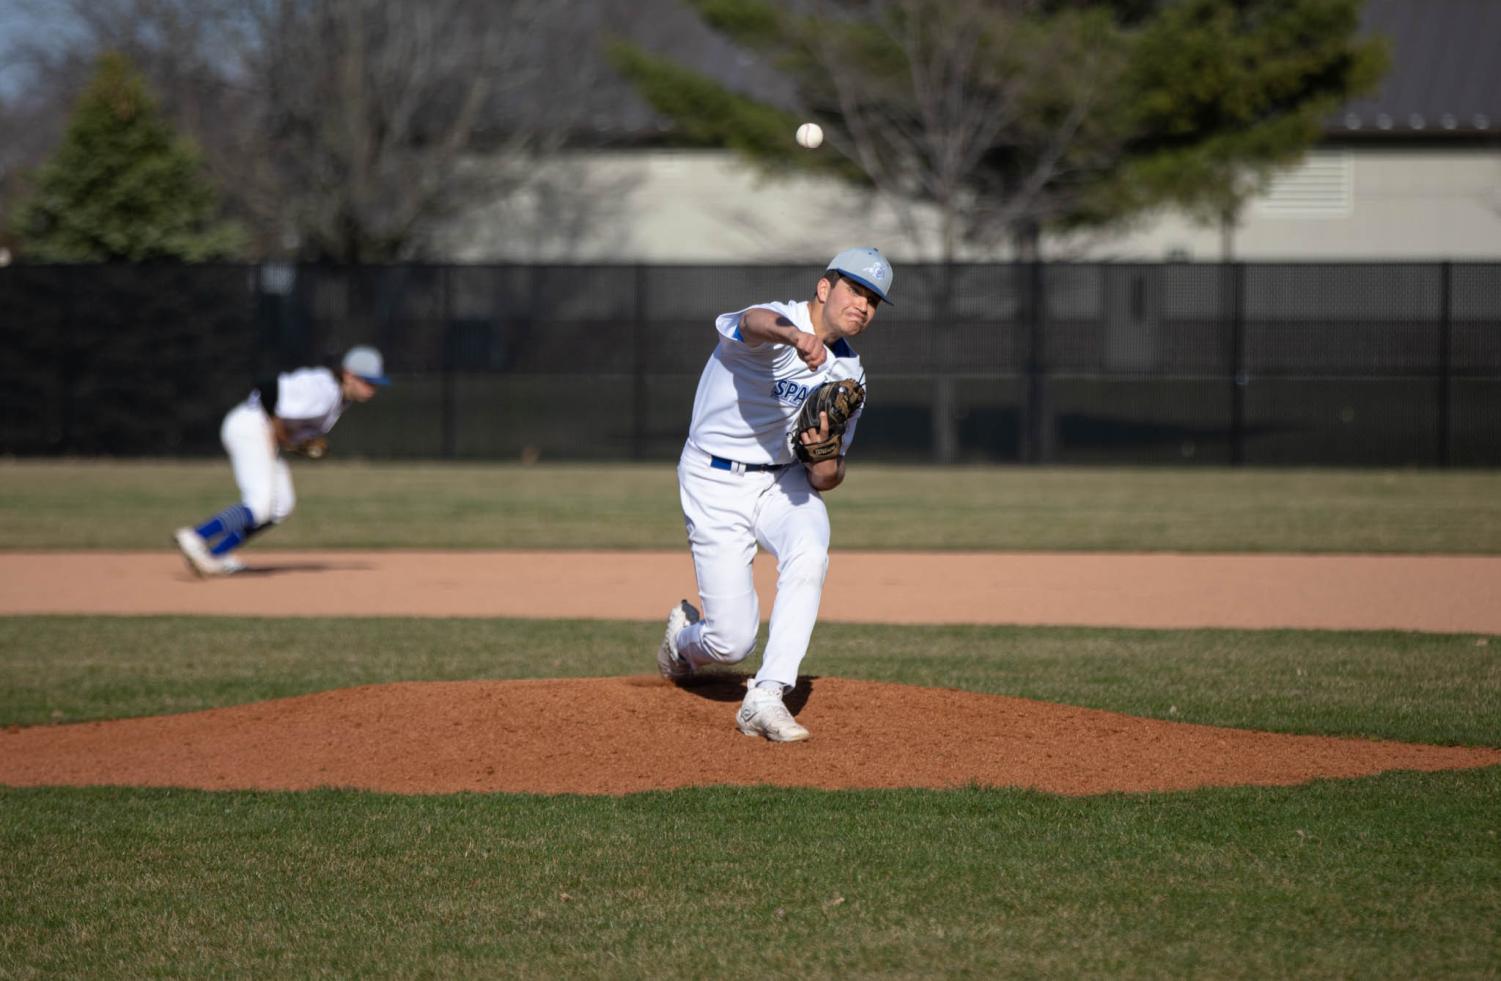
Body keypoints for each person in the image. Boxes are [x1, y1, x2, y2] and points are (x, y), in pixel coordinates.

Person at [656, 247, 893, 742]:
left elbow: (826, 478)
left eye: (873, 300)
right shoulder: (775, 324)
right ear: (825, 288)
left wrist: (824, 457)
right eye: (856, 290)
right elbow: (750, 321)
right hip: (714, 480)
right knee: (730, 641)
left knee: (810, 551)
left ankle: (765, 697)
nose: (864, 305)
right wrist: (794, 336)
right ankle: (683, 641)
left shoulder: (850, 376)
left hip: (782, 480)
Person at [173, 345, 390, 577]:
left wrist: (297, 443)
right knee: (259, 505)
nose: (372, 388)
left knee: (280, 506)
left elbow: (289, 421)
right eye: (367, 381)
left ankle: (216, 555)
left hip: (259, 432)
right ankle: (197, 536)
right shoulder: (323, 388)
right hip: (250, 427)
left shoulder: (339, 398)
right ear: (348, 375)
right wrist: (281, 435)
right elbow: (267, 386)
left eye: (375, 383)